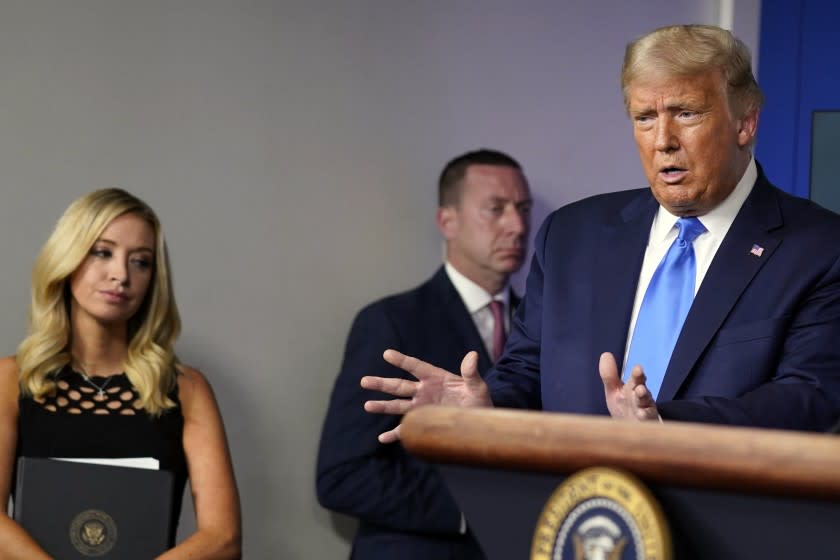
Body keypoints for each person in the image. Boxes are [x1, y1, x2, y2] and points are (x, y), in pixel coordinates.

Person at [362, 24, 840, 442]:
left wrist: (663, 424)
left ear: (746, 122)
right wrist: (486, 409)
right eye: (645, 118)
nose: (662, 140)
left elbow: (810, 400)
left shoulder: (818, 249)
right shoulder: (570, 238)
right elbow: (527, 373)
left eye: (687, 113)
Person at [0, 188, 242, 558]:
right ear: (67, 259)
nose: (121, 275)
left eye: (140, 262)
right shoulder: (8, 380)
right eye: (103, 252)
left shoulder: (187, 389)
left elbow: (223, 539)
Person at [316, 149, 532, 559]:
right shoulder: (391, 323)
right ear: (447, 221)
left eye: (523, 208)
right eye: (496, 208)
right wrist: (475, 510)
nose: (517, 225)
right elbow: (343, 475)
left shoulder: (546, 330)